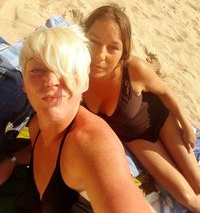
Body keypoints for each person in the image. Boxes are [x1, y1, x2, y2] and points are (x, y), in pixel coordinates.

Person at [17, 25, 154, 213]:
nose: (51, 81)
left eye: (67, 69)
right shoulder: (36, 128)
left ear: (85, 82)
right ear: (23, 83)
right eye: (37, 70)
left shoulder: (90, 146)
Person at [82, 4, 200, 212]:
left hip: (163, 122)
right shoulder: (76, 77)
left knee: (197, 182)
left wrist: (186, 124)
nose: (100, 55)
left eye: (113, 47)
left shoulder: (134, 70)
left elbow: (165, 92)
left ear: (124, 51)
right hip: (138, 139)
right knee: (187, 198)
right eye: (94, 41)